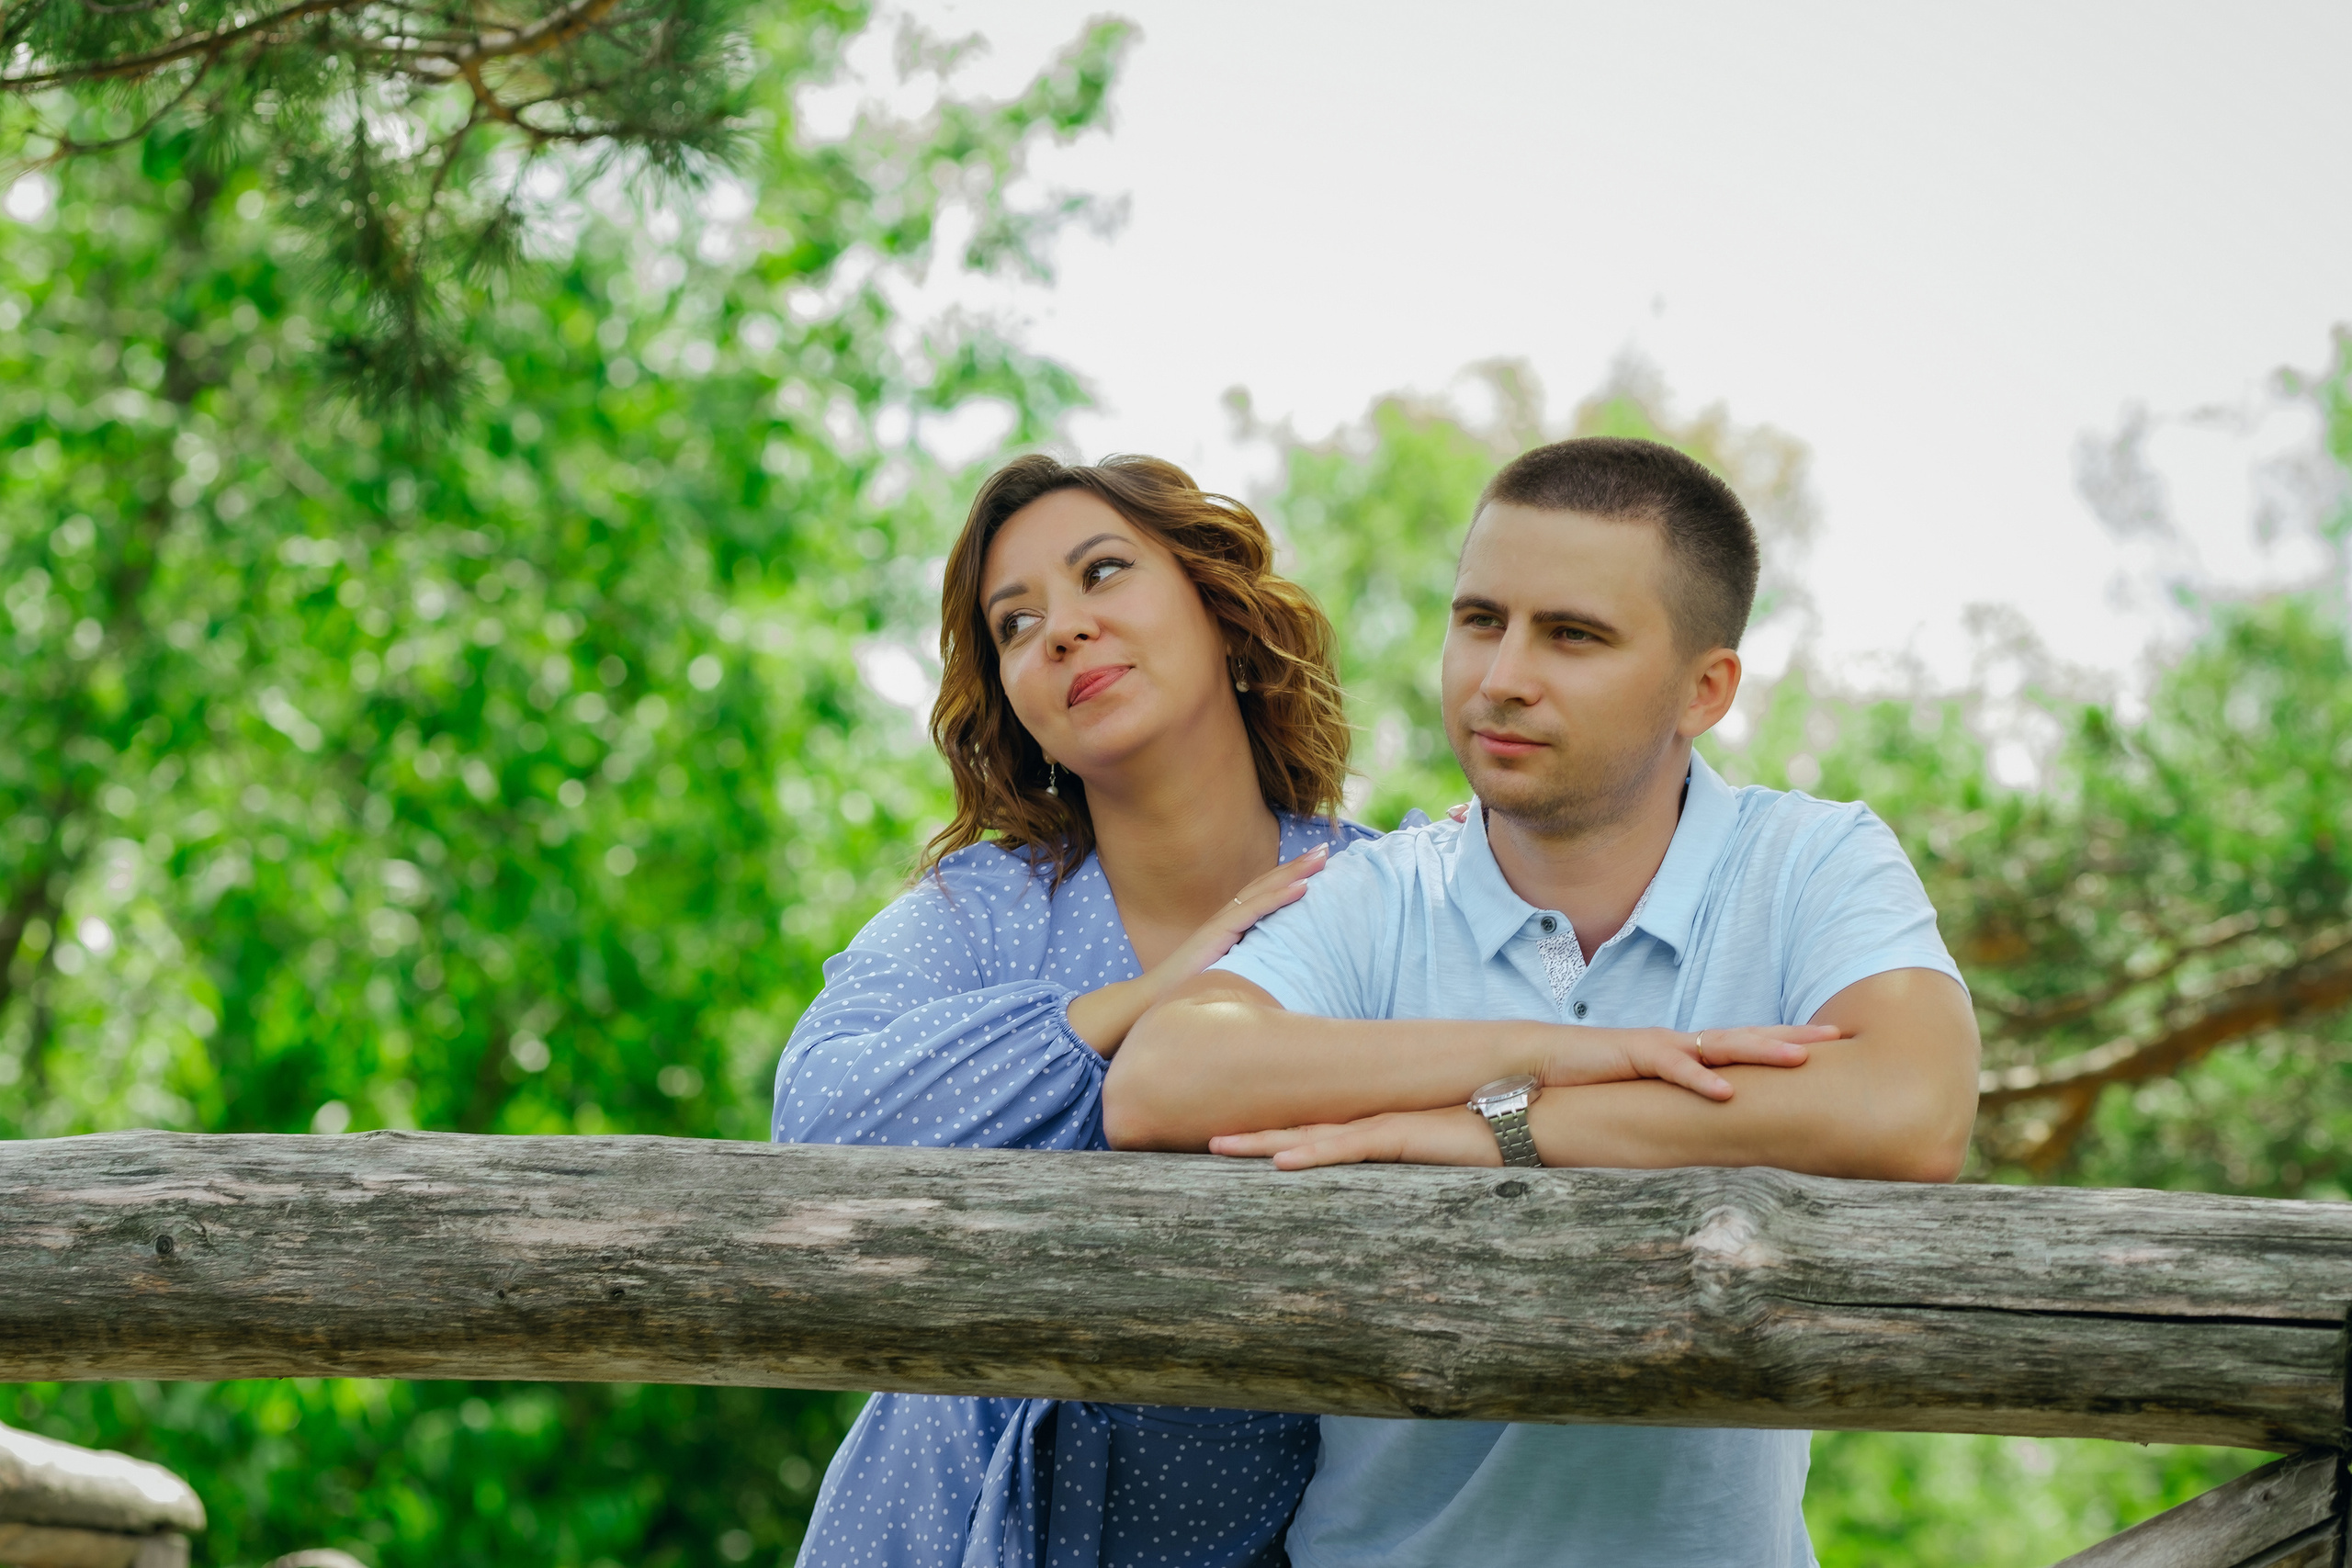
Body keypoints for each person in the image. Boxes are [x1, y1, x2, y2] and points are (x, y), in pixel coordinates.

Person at [774, 451, 1817, 1568]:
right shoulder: (980, 913)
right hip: (947, 1524)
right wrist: (1140, 1003)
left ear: (1222, 618)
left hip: (1261, 1537)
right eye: (1015, 624)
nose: (1061, 631)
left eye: (1102, 574)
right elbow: (818, 1118)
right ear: (1017, 707)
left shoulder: (1381, 897)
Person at [1107, 436, 1982, 1568]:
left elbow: (1911, 1108)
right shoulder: (1380, 891)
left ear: (1703, 689)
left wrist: (1493, 1133)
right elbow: (1160, 1079)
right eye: (1480, 620)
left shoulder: (1810, 862)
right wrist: (1544, 1052)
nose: (1500, 676)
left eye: (1571, 635)